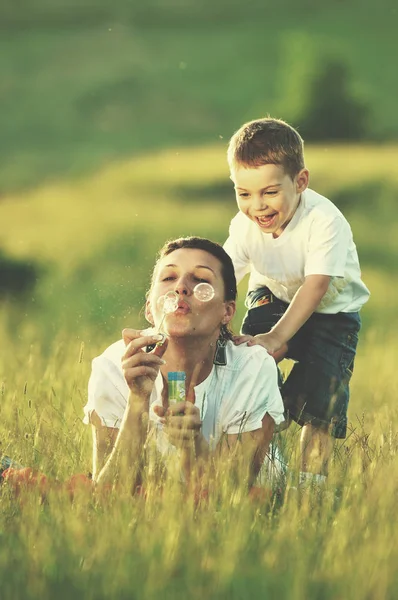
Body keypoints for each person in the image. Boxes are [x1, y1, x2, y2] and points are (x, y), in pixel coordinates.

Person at [223, 117, 370, 489]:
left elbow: (316, 286)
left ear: (300, 182)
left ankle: (310, 489)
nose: (257, 206)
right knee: (252, 360)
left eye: (269, 193)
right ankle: (264, 440)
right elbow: (224, 275)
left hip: (332, 314)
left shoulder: (324, 220)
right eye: (244, 193)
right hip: (272, 295)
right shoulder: (243, 227)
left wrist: (278, 337)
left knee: (321, 404)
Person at [83, 237, 285, 494]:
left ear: (227, 312)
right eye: (168, 278)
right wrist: (137, 400)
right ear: (149, 309)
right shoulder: (114, 366)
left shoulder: (252, 368)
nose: (181, 287)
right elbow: (108, 492)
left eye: (201, 280)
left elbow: (231, 494)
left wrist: (194, 446)